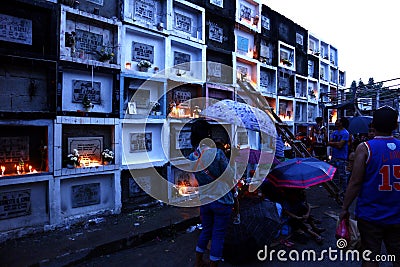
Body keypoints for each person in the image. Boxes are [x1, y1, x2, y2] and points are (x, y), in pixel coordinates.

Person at [340, 106, 400, 267]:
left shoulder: (365, 148)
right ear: (395, 126)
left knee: (370, 257)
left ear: (372, 125)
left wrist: (345, 207)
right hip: (397, 214)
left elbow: (355, 182)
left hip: (370, 215)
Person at [189, 119, 236, 267]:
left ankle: (198, 261)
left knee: (206, 231)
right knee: (218, 235)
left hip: (205, 200)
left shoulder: (193, 157)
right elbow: (230, 176)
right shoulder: (218, 154)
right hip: (221, 200)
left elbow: (194, 183)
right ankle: (213, 264)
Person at [327, 117, 350, 197]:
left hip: (341, 158)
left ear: (342, 123)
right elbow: (329, 142)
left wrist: (333, 143)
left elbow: (340, 145)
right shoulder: (334, 132)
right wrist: (336, 143)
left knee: (342, 176)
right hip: (334, 156)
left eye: (338, 121)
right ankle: (335, 191)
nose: (336, 122)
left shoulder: (345, 133)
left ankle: (345, 192)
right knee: (334, 176)